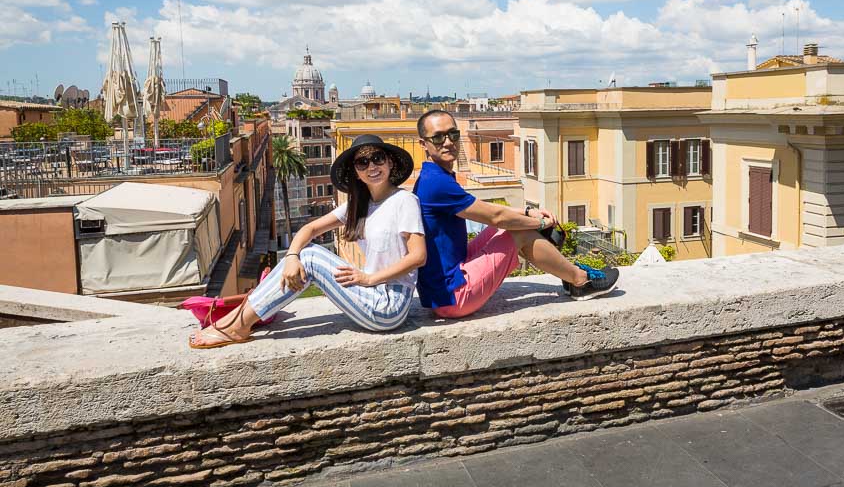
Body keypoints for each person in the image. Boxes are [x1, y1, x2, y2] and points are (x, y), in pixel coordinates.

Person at [189, 135, 425, 348]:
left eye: (377, 158)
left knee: (310, 256)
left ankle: (237, 325)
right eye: (362, 163)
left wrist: (369, 277)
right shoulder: (359, 206)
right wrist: (291, 257)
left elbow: (418, 256)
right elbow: (310, 228)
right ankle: (238, 320)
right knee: (302, 253)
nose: (372, 166)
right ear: (356, 172)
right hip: (371, 294)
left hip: (389, 305)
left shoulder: (404, 201)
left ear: (390, 162)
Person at [413, 110, 619, 319]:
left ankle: (568, 273)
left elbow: (489, 212)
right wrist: (538, 223)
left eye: (453, 134)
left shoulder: (435, 175)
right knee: (519, 232)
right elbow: (496, 216)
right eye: (438, 137)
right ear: (424, 144)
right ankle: (580, 280)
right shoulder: (436, 183)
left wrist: (529, 211)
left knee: (508, 226)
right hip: (453, 297)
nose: (448, 142)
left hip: (445, 287)